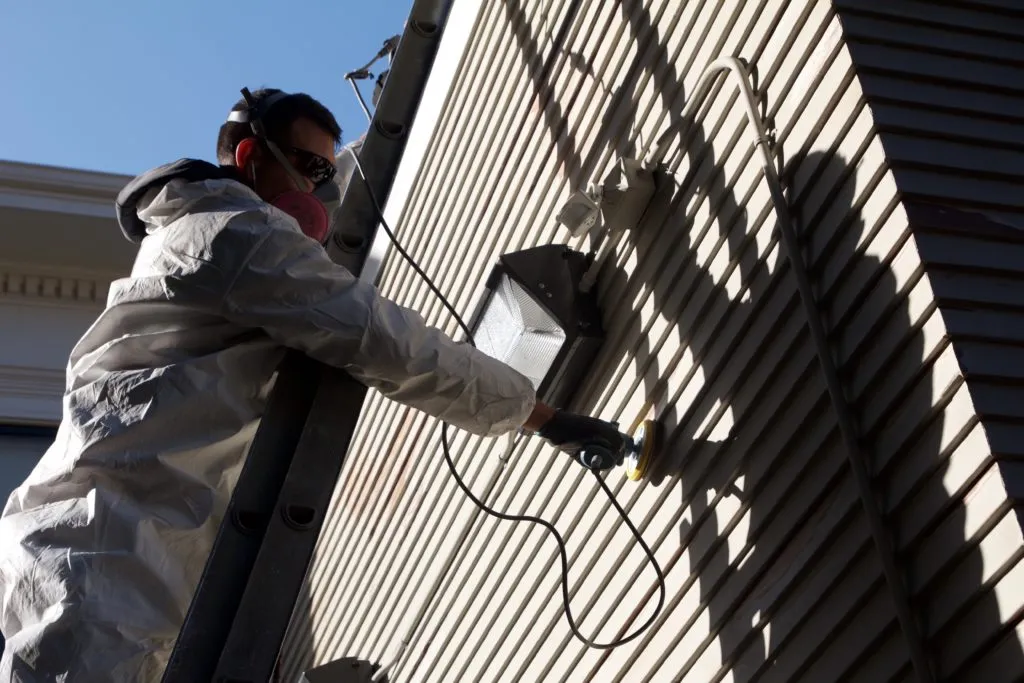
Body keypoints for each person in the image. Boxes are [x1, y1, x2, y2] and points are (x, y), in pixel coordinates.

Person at [0, 88, 627, 682]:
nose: (313, 190)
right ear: (249, 156)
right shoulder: (231, 233)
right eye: (304, 167)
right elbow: (379, 339)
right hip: (100, 558)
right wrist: (539, 415)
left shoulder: (196, 235)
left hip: (104, 550)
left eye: (325, 176)